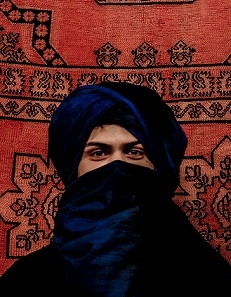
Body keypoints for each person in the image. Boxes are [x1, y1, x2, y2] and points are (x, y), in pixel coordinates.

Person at [1, 81, 231, 295]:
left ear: (158, 165)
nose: (117, 166)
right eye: (98, 153)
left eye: (134, 152)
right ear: (73, 168)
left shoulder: (207, 275)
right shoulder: (28, 281)